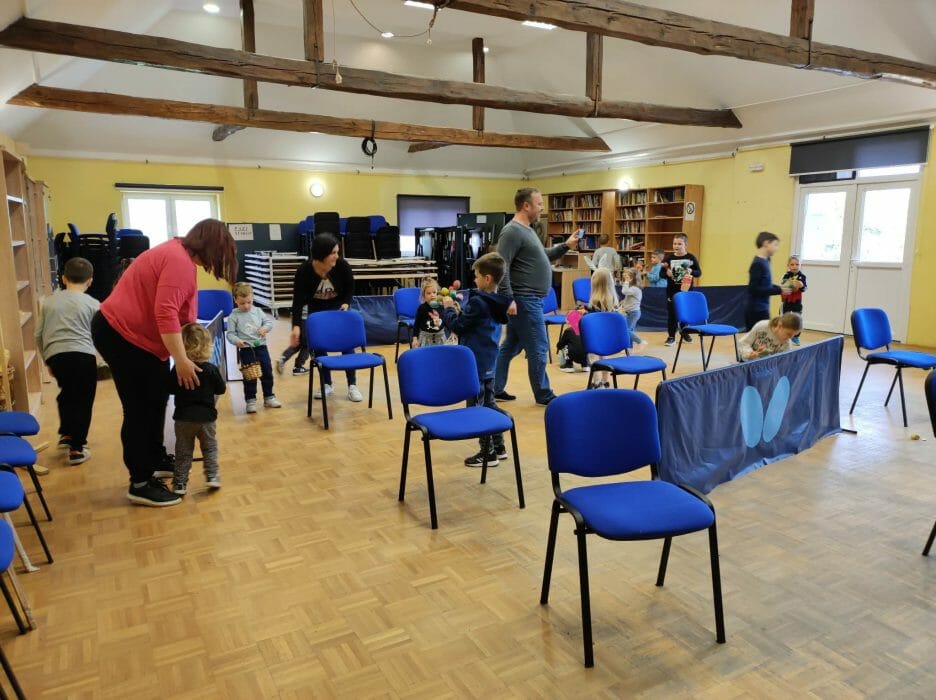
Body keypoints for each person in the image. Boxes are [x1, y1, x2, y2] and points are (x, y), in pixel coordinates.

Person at [92, 218, 238, 507]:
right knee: (140, 408)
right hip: (122, 335)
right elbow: (165, 313)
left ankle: (155, 458)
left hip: (142, 338)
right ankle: (140, 482)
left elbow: (181, 314)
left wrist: (190, 346)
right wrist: (181, 359)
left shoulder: (181, 257)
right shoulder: (178, 260)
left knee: (156, 398)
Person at [493, 187, 580, 406]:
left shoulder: (528, 230)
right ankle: (544, 394)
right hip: (525, 300)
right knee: (540, 348)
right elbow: (501, 266)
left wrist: (565, 246)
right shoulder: (512, 231)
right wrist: (507, 298)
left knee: (511, 346)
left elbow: (544, 255)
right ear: (526, 205)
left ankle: (494, 388)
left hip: (530, 300)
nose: (542, 208)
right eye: (539, 204)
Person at [440, 253, 512, 467]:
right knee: (489, 402)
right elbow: (474, 323)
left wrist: (448, 309)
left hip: (475, 362)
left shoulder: (479, 302)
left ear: (487, 279)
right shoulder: (496, 302)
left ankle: (487, 452)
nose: (474, 279)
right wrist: (461, 311)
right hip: (489, 360)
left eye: (477, 275)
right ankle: (498, 446)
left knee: (476, 407)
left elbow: (458, 326)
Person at [35, 257, 100, 466]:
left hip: (57, 356)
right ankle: (77, 448)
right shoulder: (94, 304)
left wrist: (48, 360)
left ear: (63, 278)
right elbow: (99, 335)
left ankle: (67, 433)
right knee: (83, 401)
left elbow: (38, 334)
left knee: (67, 393)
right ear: (90, 281)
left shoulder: (49, 302)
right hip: (83, 356)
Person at [288, 233, 362, 402]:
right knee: (319, 347)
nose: (337, 256)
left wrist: (346, 302)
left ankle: (352, 385)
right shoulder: (304, 271)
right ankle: (326, 383)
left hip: (339, 308)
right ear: (322, 254)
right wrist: (296, 326)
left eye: (337, 252)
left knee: (346, 344)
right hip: (317, 311)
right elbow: (297, 301)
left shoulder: (342, 266)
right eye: (333, 253)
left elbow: (350, 287)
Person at [167, 323, 226, 495]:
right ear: (207, 346)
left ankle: (180, 483)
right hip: (207, 419)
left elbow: (169, 388)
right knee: (210, 448)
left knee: (183, 451)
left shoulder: (178, 369)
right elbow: (221, 389)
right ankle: (212, 476)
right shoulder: (211, 369)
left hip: (183, 419)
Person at [226, 282, 281, 413]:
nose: (246, 306)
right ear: (235, 300)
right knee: (249, 375)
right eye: (242, 303)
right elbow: (230, 334)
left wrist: (264, 328)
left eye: (249, 302)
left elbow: (268, 322)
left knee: (267, 372)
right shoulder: (234, 316)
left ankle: (269, 397)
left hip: (261, 347)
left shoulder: (258, 311)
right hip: (246, 349)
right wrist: (237, 341)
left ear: (253, 298)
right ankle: (250, 400)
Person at [663, 235, 702, 346]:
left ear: (685, 245)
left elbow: (699, 273)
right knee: (672, 314)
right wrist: (667, 274)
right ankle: (671, 337)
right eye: (675, 243)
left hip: (686, 291)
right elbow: (661, 273)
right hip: (672, 292)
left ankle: (684, 333)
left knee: (685, 313)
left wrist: (691, 271)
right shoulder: (668, 258)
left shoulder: (690, 257)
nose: (676, 246)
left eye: (679, 244)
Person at [745, 231, 782, 331]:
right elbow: (753, 289)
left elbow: (766, 284)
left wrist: (780, 288)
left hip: (763, 308)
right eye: (775, 244)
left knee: (764, 337)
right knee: (758, 338)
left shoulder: (767, 260)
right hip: (755, 311)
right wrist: (779, 290)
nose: (777, 248)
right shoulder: (757, 264)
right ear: (766, 243)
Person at [738, 312, 802, 361]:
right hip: (748, 363)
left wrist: (764, 354)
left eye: (794, 335)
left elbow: (781, 362)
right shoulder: (762, 326)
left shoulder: (786, 344)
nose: (791, 338)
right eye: (788, 334)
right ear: (780, 325)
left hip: (766, 367)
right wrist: (749, 353)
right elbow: (743, 342)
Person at [780, 255, 807, 346]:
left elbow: (804, 288)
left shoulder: (802, 277)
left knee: (797, 318)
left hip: (797, 301)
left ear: (800, 265)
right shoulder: (786, 275)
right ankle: (783, 335)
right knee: (784, 318)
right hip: (786, 301)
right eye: (792, 264)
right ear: (788, 265)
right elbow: (784, 286)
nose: (795, 266)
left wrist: (801, 285)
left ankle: (795, 336)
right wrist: (793, 285)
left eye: (797, 264)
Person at [620, 267, 648, 352]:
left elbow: (624, 291)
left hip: (633, 313)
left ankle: (640, 341)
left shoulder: (635, 288)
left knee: (626, 330)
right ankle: (630, 348)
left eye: (628, 277)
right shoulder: (632, 288)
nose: (626, 278)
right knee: (630, 331)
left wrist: (626, 282)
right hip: (631, 312)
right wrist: (623, 303)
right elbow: (628, 298)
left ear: (632, 278)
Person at [412, 278, 446, 347]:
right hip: (425, 339)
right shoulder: (422, 308)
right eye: (428, 293)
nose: (432, 295)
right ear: (424, 295)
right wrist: (415, 339)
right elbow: (416, 325)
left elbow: (447, 322)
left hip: (440, 339)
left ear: (437, 293)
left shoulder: (442, 307)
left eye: (434, 292)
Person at [275, 309, 309, 376]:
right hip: (306, 319)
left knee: (298, 343)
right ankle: (298, 367)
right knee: (308, 345)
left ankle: (283, 358)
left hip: (298, 320)